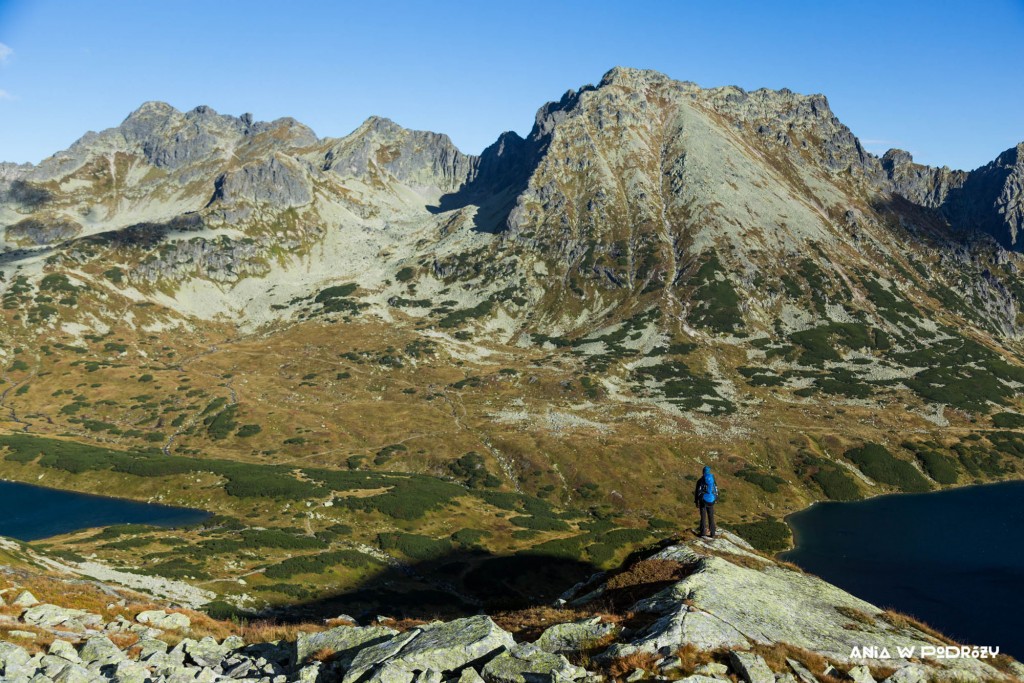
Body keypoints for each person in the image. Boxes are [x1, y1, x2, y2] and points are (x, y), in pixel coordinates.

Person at [694, 465, 718, 538]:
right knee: (711, 517)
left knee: (703, 517)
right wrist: (716, 499)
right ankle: (713, 533)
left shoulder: (700, 480)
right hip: (711, 500)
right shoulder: (713, 480)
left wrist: (696, 502)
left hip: (703, 501)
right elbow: (716, 490)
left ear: (703, 472)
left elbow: (697, 492)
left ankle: (703, 533)